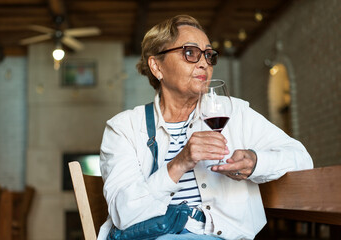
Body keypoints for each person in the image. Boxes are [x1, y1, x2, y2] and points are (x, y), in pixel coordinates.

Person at [98, 15, 313, 240]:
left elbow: (301, 158)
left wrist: (255, 162)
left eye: (209, 55)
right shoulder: (124, 128)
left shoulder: (234, 112)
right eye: (190, 52)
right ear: (156, 66)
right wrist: (179, 163)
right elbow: (123, 214)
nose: (204, 63)